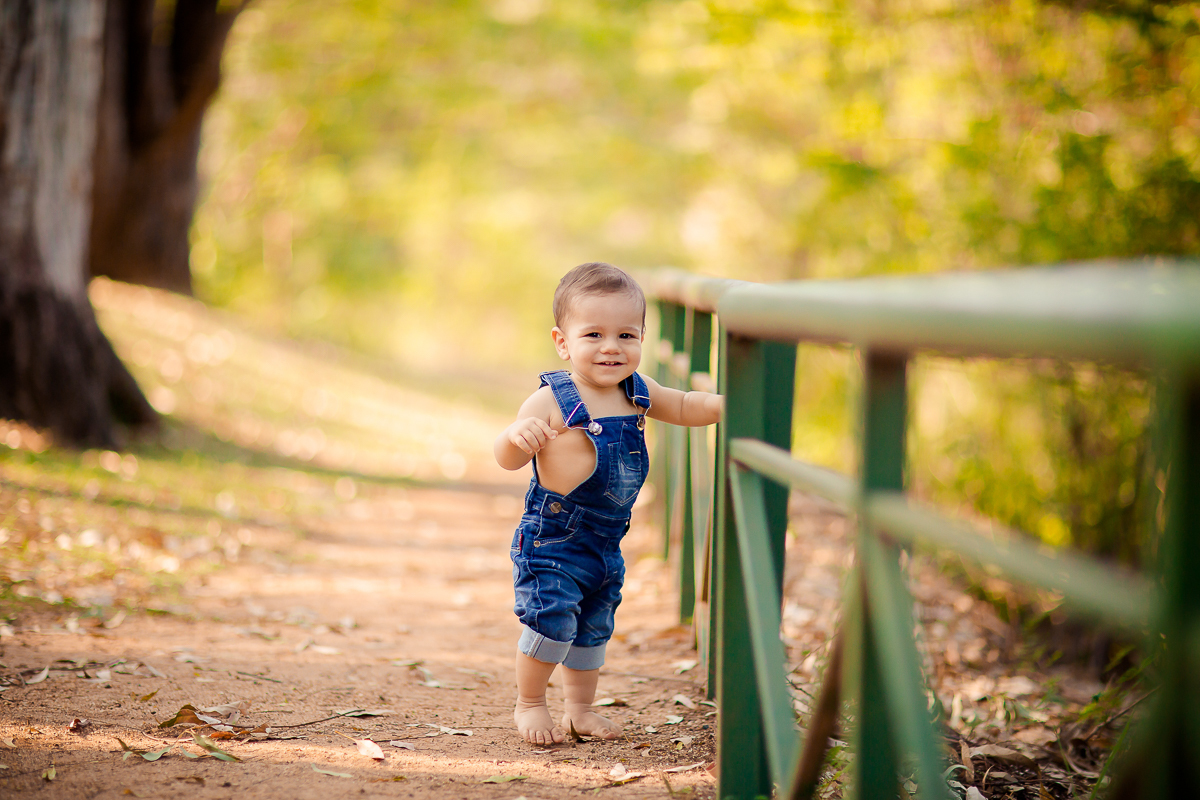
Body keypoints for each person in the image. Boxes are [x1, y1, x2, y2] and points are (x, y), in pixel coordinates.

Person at [494, 262, 723, 746]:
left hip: (606, 540)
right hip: (553, 537)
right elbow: (507, 457)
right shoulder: (551, 399)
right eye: (593, 334)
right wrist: (519, 438)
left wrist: (728, 404)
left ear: (641, 338)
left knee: (593, 628)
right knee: (552, 619)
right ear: (563, 342)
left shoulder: (638, 392)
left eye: (626, 334)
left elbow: (683, 405)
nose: (611, 347)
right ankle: (531, 702)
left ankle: (580, 709)